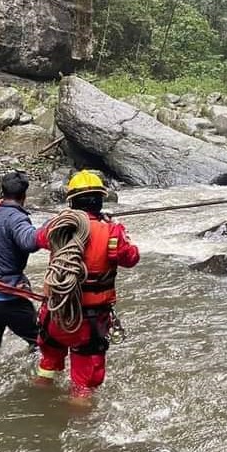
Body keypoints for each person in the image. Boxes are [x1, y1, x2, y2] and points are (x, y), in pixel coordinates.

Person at [34, 170, 139, 401]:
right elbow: (131, 258)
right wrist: (117, 226)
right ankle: (80, 430)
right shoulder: (112, 231)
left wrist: (59, 219)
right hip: (88, 322)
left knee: (47, 364)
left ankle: (37, 403)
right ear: (101, 200)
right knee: (83, 386)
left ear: (71, 202)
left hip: (56, 315)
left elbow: (37, 238)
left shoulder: (58, 227)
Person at [0, 171, 42, 349]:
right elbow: (29, 242)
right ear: (24, 196)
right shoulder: (17, 219)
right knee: (41, 343)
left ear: (2, 192)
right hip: (7, 298)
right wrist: (52, 226)